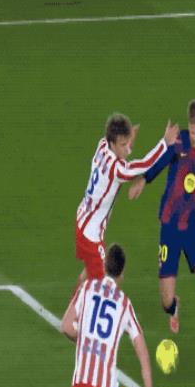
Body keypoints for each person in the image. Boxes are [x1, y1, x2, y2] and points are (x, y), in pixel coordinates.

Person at [129, 99, 195, 344]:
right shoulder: (179, 143)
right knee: (166, 300)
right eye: (192, 130)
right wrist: (143, 180)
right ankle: (174, 307)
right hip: (169, 228)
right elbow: (160, 163)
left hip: (190, 230)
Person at [75, 113, 179, 288]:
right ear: (112, 143)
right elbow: (143, 165)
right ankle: (78, 306)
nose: (126, 148)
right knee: (103, 284)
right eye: (122, 144)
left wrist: (128, 143)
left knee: (88, 273)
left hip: (82, 219)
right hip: (91, 235)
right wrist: (164, 143)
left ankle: (73, 304)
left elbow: (120, 153)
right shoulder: (117, 170)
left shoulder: (102, 145)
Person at [62, 243, 159, 387]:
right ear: (122, 273)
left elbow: (66, 326)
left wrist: (85, 340)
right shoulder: (124, 304)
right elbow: (143, 356)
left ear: (104, 265)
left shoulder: (87, 288)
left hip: (82, 385)